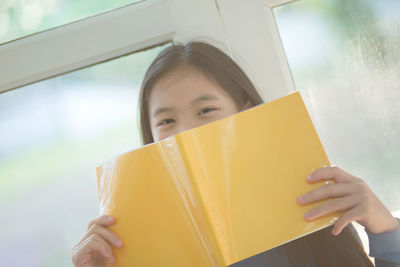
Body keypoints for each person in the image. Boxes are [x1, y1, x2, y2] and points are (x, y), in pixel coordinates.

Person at [71, 41, 400, 267]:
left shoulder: (311, 206)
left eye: (206, 110)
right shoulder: (134, 246)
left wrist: (385, 231)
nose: (187, 133)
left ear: (246, 113)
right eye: (167, 121)